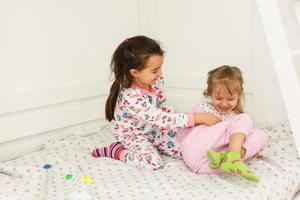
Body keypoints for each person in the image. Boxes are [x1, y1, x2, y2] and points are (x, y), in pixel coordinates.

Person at [91, 35, 221, 170]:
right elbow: (158, 117)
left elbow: (163, 106)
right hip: (134, 134)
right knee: (153, 162)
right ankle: (116, 150)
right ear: (135, 72)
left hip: (154, 129)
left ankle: (158, 144)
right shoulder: (131, 97)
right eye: (154, 71)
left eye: (160, 68)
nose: (160, 74)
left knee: (186, 151)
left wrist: (181, 123)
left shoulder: (155, 83)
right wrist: (194, 118)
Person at [178, 65, 267, 181]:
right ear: (210, 94)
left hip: (207, 165)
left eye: (230, 99)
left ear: (238, 96)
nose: (224, 104)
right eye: (219, 98)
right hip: (197, 150)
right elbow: (182, 132)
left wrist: (250, 150)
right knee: (245, 118)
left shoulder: (234, 118)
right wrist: (202, 119)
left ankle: (233, 157)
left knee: (260, 135)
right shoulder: (204, 109)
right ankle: (234, 156)